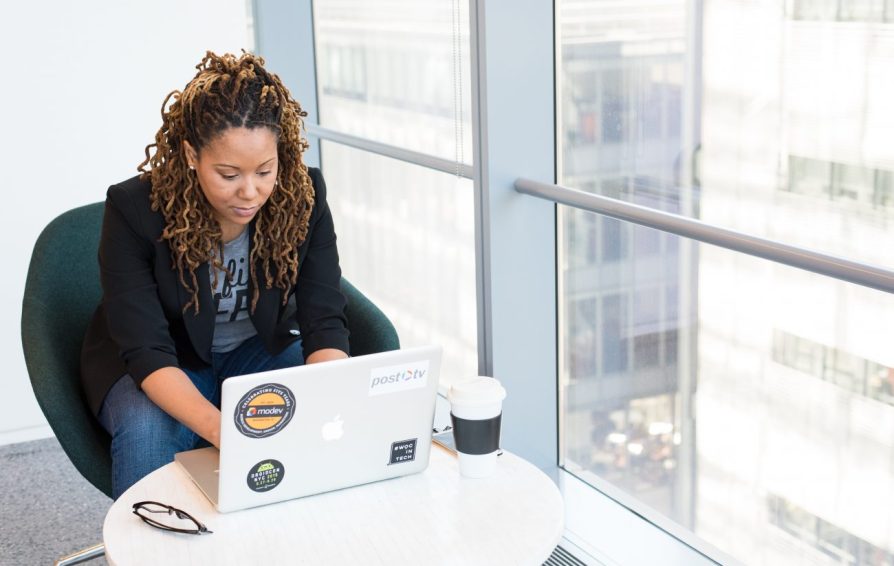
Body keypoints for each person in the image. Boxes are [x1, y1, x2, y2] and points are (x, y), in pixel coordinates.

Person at [80, 51, 349, 499]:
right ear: (191, 154)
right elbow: (146, 349)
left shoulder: (303, 195)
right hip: (166, 361)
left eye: (265, 170)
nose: (250, 192)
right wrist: (226, 430)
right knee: (150, 434)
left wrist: (330, 398)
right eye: (228, 174)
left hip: (255, 351)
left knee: (322, 425)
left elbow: (324, 319)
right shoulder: (134, 210)